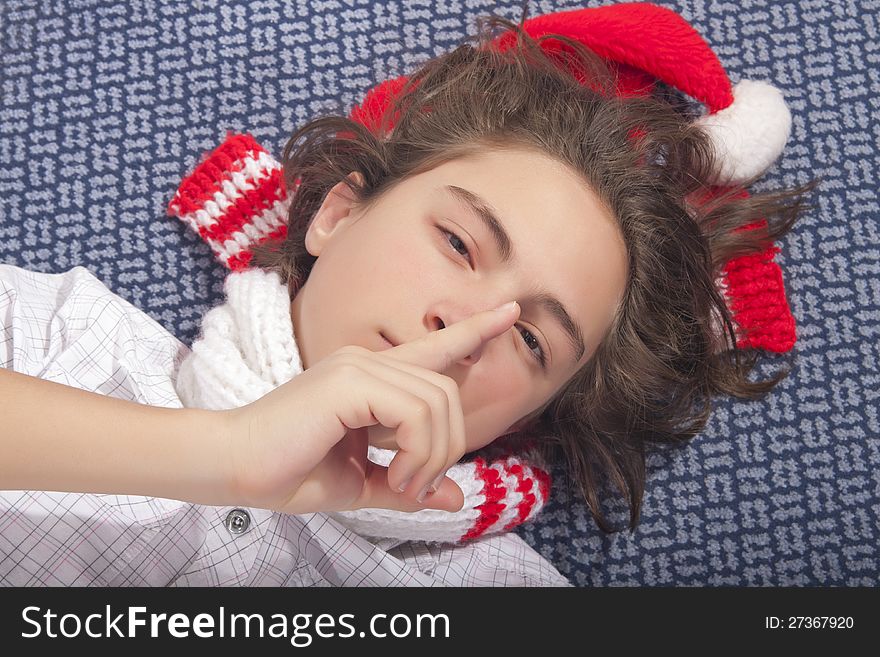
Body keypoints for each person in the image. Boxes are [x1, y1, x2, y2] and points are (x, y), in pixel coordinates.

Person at [0, 3, 819, 586]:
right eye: (459, 243)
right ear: (337, 213)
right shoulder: (57, 336)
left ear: (527, 416)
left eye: (533, 343)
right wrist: (224, 454)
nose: (467, 325)